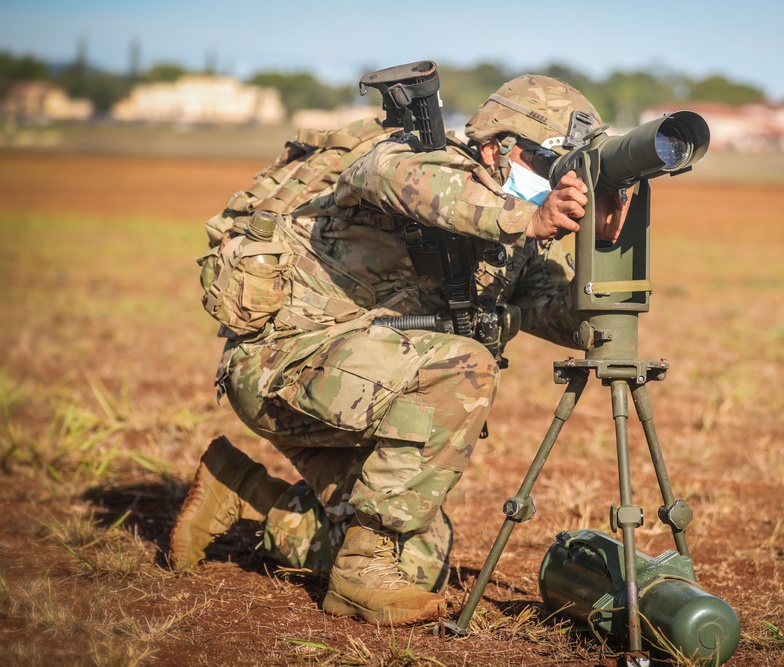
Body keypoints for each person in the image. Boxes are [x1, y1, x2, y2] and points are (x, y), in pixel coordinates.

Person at [169, 74, 627, 625]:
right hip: (284, 367)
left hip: (366, 396)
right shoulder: (415, 156)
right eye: (548, 163)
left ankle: (244, 491)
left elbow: (582, 328)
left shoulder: (522, 243)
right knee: (464, 366)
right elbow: (384, 175)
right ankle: (359, 572)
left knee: (422, 561)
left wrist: (602, 245)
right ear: (495, 146)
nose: (560, 181)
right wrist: (521, 218)